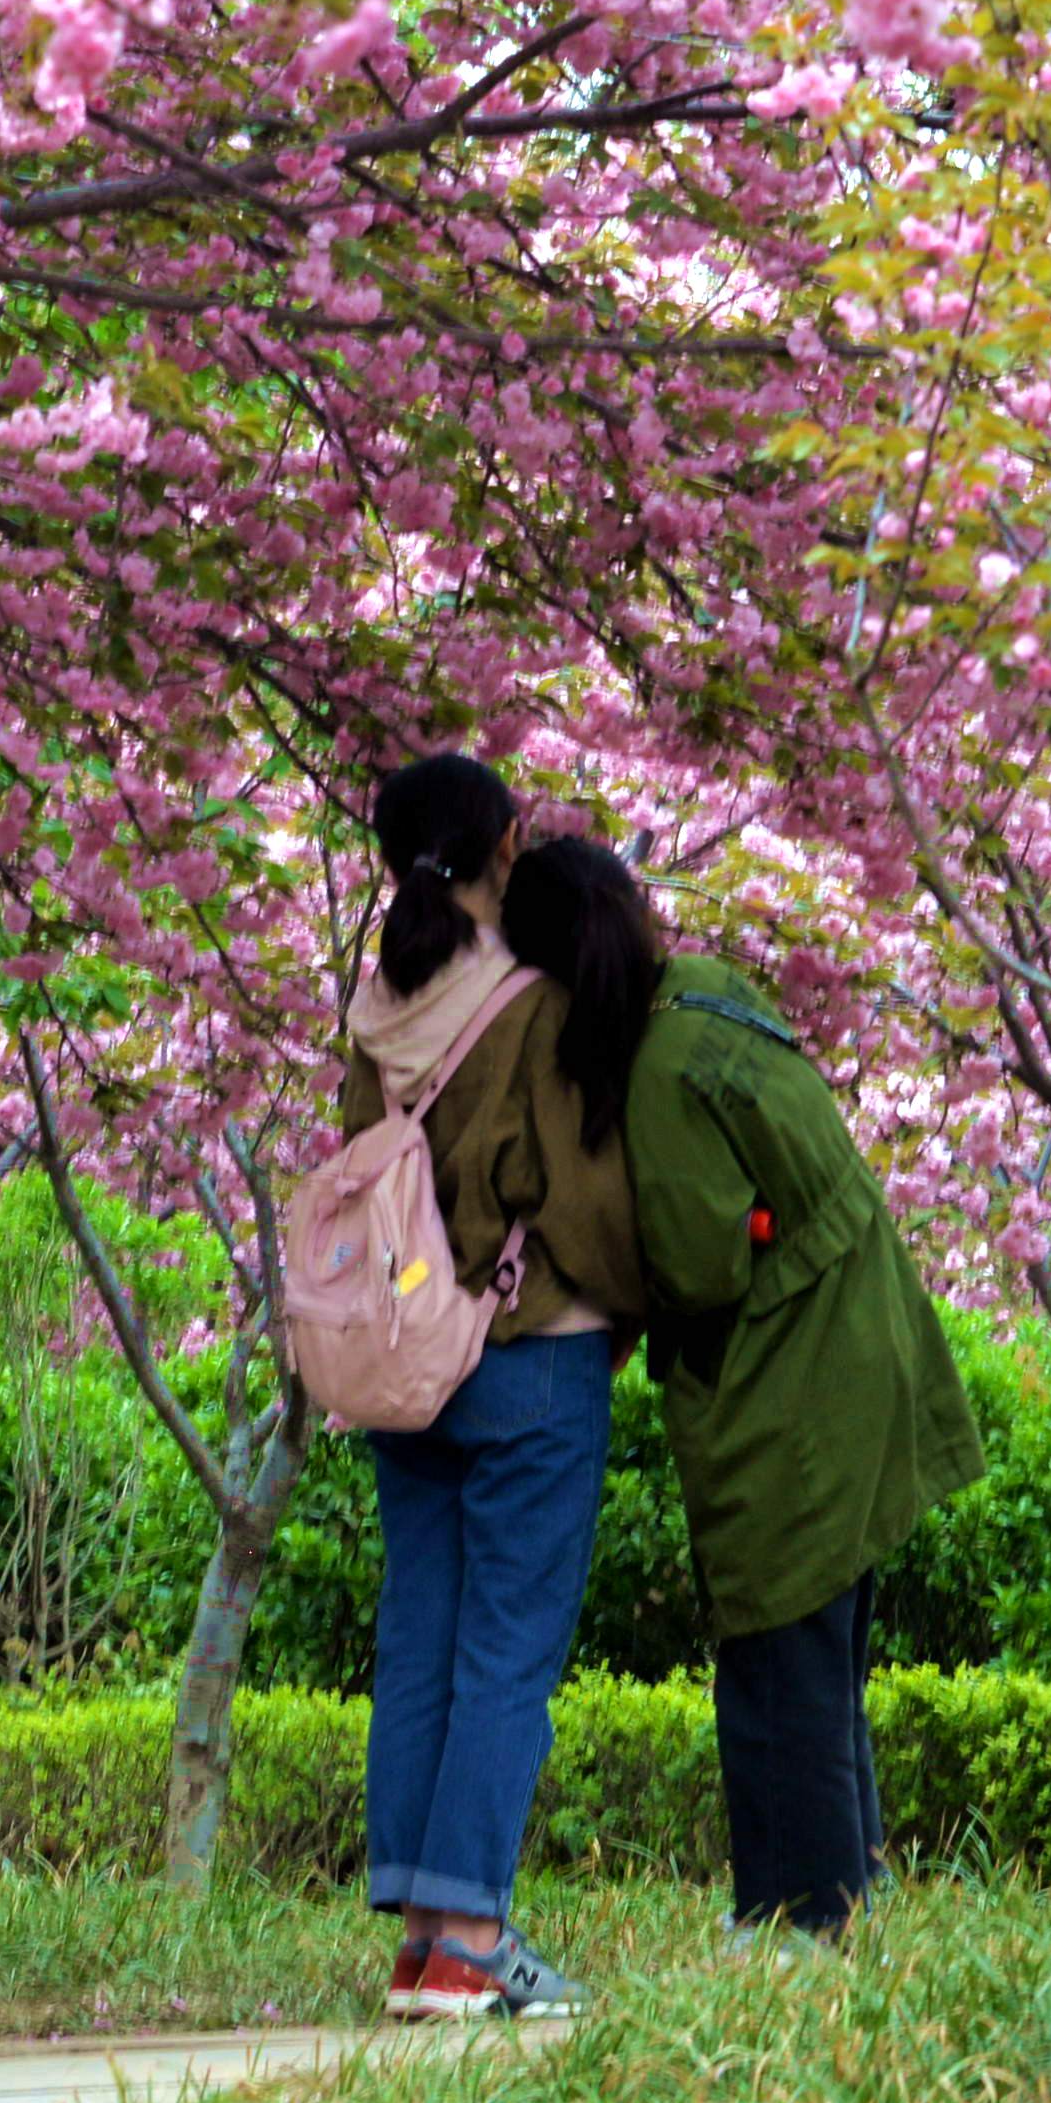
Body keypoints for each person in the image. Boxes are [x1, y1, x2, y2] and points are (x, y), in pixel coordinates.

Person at [588, 857, 981, 1947]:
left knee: (777, 1651)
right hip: (862, 1338)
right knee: (822, 1642)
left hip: (789, 1375)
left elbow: (702, 1260)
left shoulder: (657, 1070)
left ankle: (799, 1911)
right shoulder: (708, 989)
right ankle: (845, 1888)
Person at [338, 752, 652, 2023]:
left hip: (406, 1363)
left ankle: (422, 1932)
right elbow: (572, 1194)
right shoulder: (528, 1002)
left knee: (420, 1634)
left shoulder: (372, 1010)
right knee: (508, 1649)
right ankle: (472, 1935)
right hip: (531, 1351)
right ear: (507, 843)